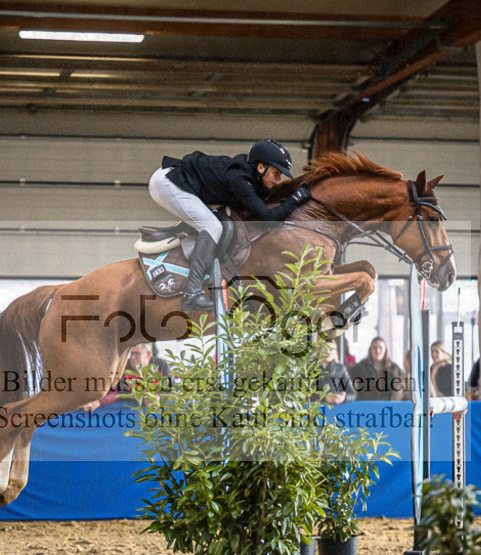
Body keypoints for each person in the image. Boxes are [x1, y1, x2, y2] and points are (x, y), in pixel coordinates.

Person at [149, 138, 313, 311]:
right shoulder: (240, 179)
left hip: (182, 181)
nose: (278, 179)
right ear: (260, 168)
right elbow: (268, 218)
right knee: (212, 227)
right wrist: (296, 198)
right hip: (168, 182)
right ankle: (192, 293)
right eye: (276, 173)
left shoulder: (251, 178)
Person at [83, 343, 172, 411]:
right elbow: (120, 393)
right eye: (132, 353)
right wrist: (98, 401)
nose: (132, 357)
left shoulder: (162, 366)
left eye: (137, 353)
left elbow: (171, 391)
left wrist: (159, 398)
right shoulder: (124, 367)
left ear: (148, 354)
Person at [349, 337, 405, 401]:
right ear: (370, 350)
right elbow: (347, 379)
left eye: (380, 348)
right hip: (366, 405)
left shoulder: (394, 368)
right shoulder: (361, 366)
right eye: (374, 348)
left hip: (388, 406)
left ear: (385, 350)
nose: (377, 351)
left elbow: (403, 382)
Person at [316, 340, 356, 405]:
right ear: (319, 350)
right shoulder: (310, 368)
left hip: (334, 408)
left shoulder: (340, 368)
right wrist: (324, 398)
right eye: (324, 348)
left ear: (336, 353)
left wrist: (343, 398)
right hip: (313, 407)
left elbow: (352, 394)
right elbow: (303, 393)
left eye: (331, 349)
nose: (327, 352)